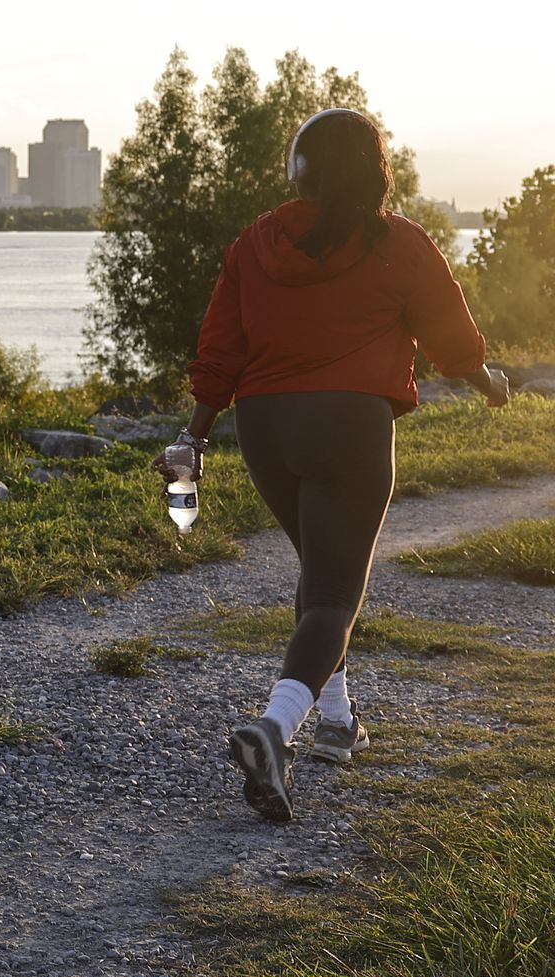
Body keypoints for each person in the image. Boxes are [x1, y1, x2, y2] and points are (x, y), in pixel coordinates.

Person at [159, 107, 510, 822]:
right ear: (377, 171)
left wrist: (195, 434)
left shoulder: (257, 242)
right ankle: (273, 730)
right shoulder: (400, 242)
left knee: (321, 576)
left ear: (299, 169)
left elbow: (220, 346)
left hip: (266, 429)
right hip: (348, 424)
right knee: (332, 599)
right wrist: (488, 382)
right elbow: (452, 338)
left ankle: (338, 722)